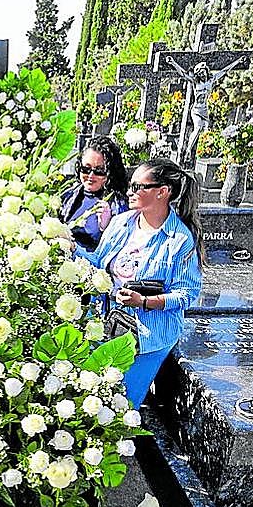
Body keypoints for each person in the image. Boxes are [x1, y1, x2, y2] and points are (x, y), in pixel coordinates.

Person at [76, 159, 203, 408]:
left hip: (147, 335)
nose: (129, 192)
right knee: (91, 399)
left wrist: (143, 301)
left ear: (162, 192)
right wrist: (72, 249)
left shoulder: (179, 240)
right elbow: (99, 263)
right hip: (107, 322)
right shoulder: (121, 223)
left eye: (138, 187)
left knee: (122, 405)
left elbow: (187, 294)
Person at [60, 136, 129, 250]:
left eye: (99, 171)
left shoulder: (119, 205)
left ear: (110, 172)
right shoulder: (68, 195)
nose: (91, 176)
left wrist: (106, 228)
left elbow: (119, 249)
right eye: (86, 169)